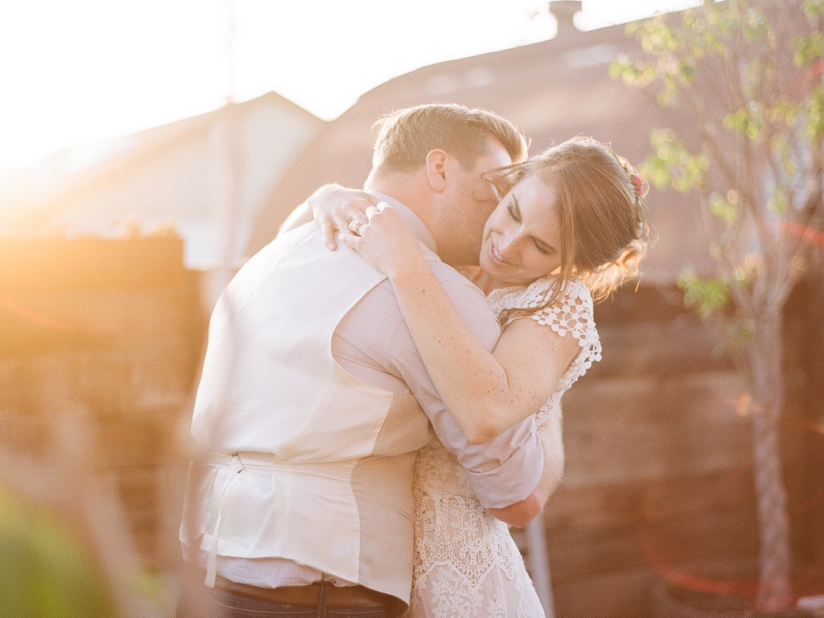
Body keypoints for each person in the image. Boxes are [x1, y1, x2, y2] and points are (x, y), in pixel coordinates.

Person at [176, 104, 563, 618]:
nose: (498, 212)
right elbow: (515, 494)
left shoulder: (270, 259)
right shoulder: (433, 295)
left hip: (204, 576)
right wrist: (548, 395)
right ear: (439, 168)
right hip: (320, 592)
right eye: (494, 188)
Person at [303, 136, 648, 618]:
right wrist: (324, 199)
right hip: (376, 553)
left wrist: (403, 263)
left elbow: (489, 416)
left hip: (453, 564)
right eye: (511, 211)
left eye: (541, 246)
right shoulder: (459, 262)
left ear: (575, 267)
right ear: (515, 180)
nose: (506, 245)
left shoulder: (558, 302)